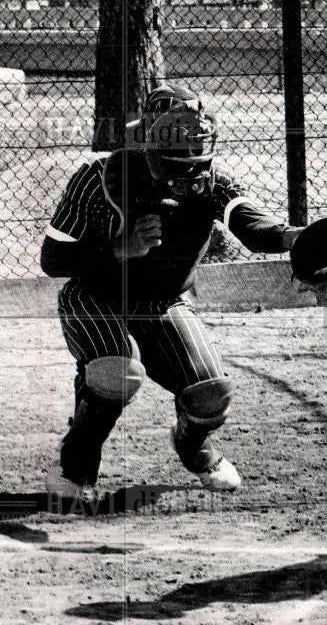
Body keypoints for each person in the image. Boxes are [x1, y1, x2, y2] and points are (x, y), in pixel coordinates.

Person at [40, 87, 302, 502]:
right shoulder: (99, 176)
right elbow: (52, 259)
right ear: (146, 141)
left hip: (161, 304)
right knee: (116, 372)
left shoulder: (212, 184)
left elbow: (253, 226)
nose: (188, 159)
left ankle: (192, 445)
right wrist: (117, 249)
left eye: (195, 143)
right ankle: (77, 465)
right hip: (95, 296)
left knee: (211, 395)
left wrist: (296, 238)